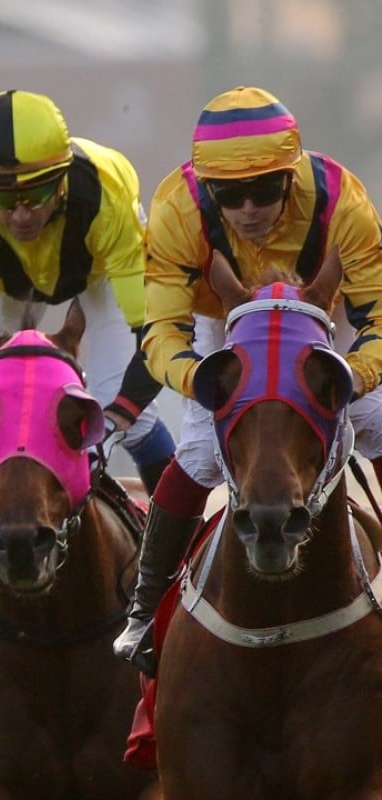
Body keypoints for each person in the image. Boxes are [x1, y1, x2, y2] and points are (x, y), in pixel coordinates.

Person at [114, 85, 382, 675]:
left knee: (376, 420)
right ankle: (146, 606)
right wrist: (204, 382)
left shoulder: (346, 205)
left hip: (316, 313)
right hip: (226, 319)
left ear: (293, 177)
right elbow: (161, 335)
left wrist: (351, 379)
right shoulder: (177, 211)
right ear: (207, 189)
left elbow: (378, 317)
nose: (250, 209)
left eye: (265, 190)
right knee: (203, 450)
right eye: (231, 195)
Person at [0, 89, 176, 573]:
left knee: (130, 410)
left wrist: (118, 417)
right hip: (4, 280)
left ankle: (185, 552)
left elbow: (154, 337)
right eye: (2, 198)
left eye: (38, 195)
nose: (21, 215)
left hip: (98, 276)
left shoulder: (102, 198)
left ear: (64, 183)